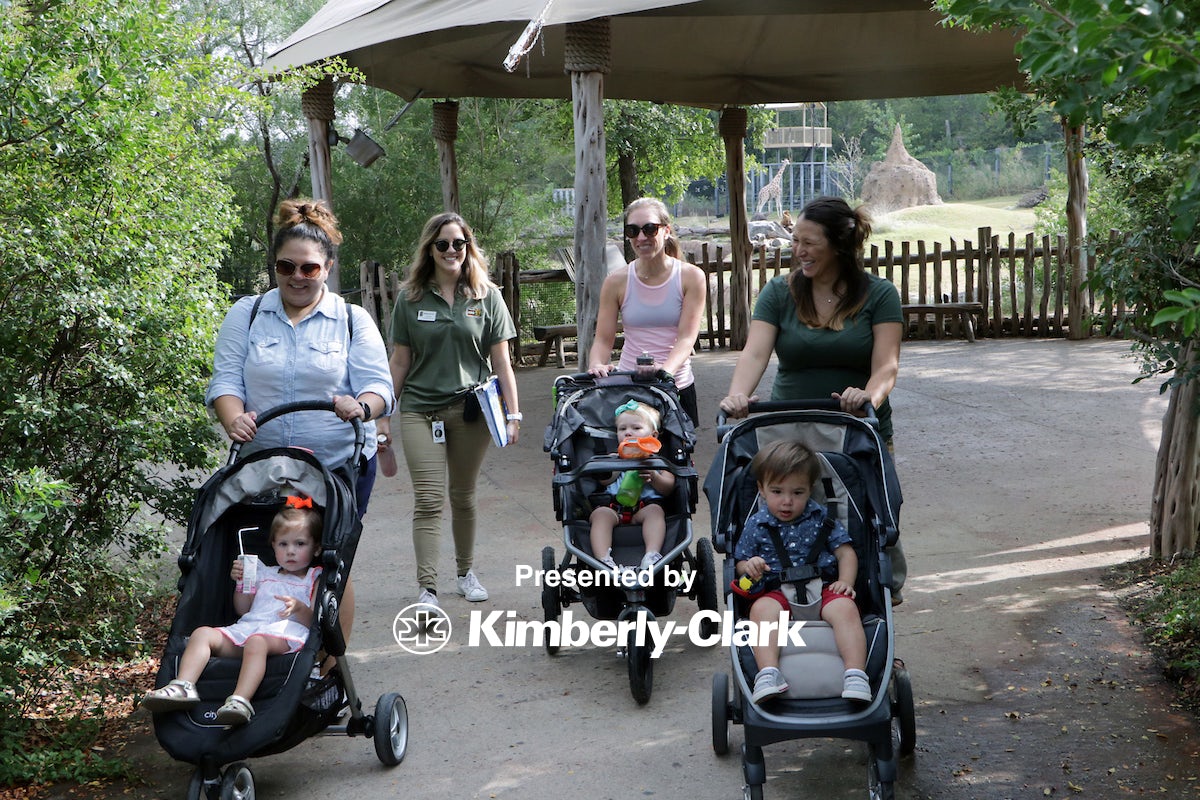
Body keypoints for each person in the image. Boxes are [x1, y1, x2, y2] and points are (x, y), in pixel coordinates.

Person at [207, 198, 394, 644]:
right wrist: (234, 419)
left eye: (308, 268)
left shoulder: (352, 320)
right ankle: (265, 648)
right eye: (285, 266)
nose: (296, 276)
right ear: (274, 267)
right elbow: (225, 382)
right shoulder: (247, 314)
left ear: (327, 268)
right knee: (266, 560)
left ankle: (330, 665)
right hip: (263, 469)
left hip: (335, 468)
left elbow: (380, 389)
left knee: (330, 562)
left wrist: (360, 408)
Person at [718, 196, 907, 601]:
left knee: (866, 521)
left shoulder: (879, 294)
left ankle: (876, 616)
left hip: (856, 430)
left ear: (839, 244)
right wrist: (738, 396)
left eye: (809, 242)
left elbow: (886, 365)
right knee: (780, 516)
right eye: (795, 240)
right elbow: (755, 353)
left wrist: (867, 395)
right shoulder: (779, 292)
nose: (797, 250)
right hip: (788, 428)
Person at [386, 212, 522, 608]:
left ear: (468, 247)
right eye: (442, 244)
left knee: (463, 496)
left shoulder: (486, 296)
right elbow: (399, 363)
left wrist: (513, 415)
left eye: (458, 243)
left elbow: (503, 363)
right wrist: (382, 416)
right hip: (419, 411)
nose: (451, 250)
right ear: (430, 249)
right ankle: (427, 588)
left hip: (470, 411)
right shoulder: (409, 299)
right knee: (428, 500)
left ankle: (465, 573)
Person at [141, 500, 324, 726]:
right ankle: (183, 685)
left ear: (316, 548)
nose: (291, 551)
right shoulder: (262, 573)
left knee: (257, 642)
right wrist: (242, 583)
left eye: (300, 544)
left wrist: (299, 608)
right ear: (273, 546)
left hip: (284, 634)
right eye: (283, 544)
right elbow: (244, 610)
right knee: (202, 634)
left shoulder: (313, 578)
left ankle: (240, 700)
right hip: (249, 629)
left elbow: (314, 622)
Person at [733, 440, 870, 705]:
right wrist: (749, 567)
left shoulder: (822, 518)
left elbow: (845, 552)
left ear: (810, 490)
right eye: (777, 491)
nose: (787, 501)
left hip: (823, 589)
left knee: (846, 609)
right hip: (777, 594)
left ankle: (855, 674)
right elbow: (741, 562)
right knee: (761, 610)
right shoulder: (756, 525)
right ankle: (768, 673)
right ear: (761, 490)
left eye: (797, 492)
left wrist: (845, 581)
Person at [587, 198, 707, 428]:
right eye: (633, 230)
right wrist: (597, 365)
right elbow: (603, 338)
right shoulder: (616, 281)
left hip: (675, 385)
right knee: (629, 458)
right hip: (630, 387)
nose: (641, 237)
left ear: (666, 231)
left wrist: (664, 374)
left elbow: (686, 337)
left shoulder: (691, 277)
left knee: (675, 461)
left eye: (650, 229)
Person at [588, 399, 676, 573]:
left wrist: (654, 477)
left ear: (654, 435)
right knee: (600, 514)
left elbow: (668, 487)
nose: (628, 433)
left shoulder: (658, 462)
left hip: (644, 509)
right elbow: (604, 481)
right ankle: (603, 560)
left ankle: (652, 555)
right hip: (613, 508)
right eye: (622, 429)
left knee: (655, 512)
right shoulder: (613, 458)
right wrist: (615, 466)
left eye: (636, 428)